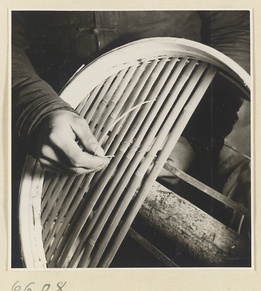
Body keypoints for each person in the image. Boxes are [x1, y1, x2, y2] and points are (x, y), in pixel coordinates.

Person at [11, 10, 250, 266]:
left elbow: (234, 34)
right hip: (50, 140)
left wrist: (194, 137)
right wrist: (35, 109)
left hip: (179, 141)